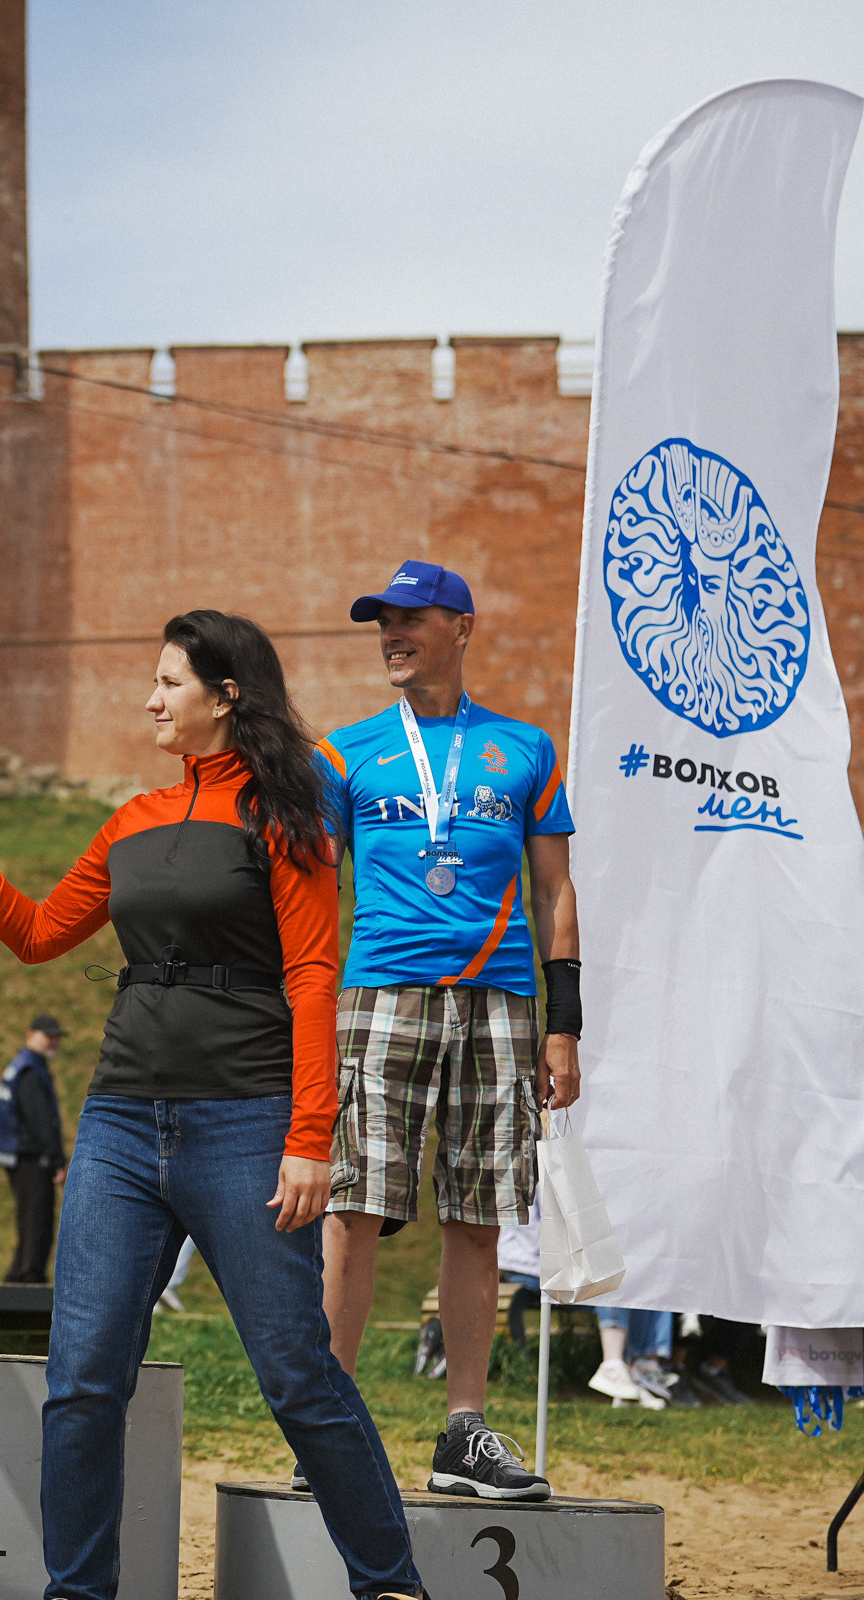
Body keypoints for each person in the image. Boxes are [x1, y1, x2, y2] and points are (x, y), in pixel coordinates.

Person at [0, 610, 425, 1600]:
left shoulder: (287, 810)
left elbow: (313, 973)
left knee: (296, 1372)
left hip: (247, 1121)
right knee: (84, 1378)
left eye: (169, 681)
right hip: (122, 1123)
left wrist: (313, 1137)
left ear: (227, 695)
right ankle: (79, 1591)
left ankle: (390, 1583)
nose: (150, 697)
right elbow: (42, 934)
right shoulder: (132, 818)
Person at [316, 559, 580, 1502]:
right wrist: (307, 1009)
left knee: (479, 1218)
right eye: (382, 622)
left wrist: (565, 1026)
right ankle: (332, 1429)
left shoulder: (525, 749)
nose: (392, 635)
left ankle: (463, 1433)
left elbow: (555, 890)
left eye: (411, 619)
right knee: (353, 1208)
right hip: (380, 993)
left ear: (461, 627)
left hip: (503, 1002)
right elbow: (308, 891)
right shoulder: (342, 754)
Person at [0, 1013, 68, 1284]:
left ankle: (20, 1273)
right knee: (37, 1218)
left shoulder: (23, 1065)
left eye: (56, 1037)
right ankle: (28, 1277)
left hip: (18, 1151)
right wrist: (56, 1160)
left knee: (29, 1216)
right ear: (31, 1035)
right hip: (29, 1154)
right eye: (47, 1035)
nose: (53, 1041)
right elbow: (40, 1119)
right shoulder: (31, 1069)